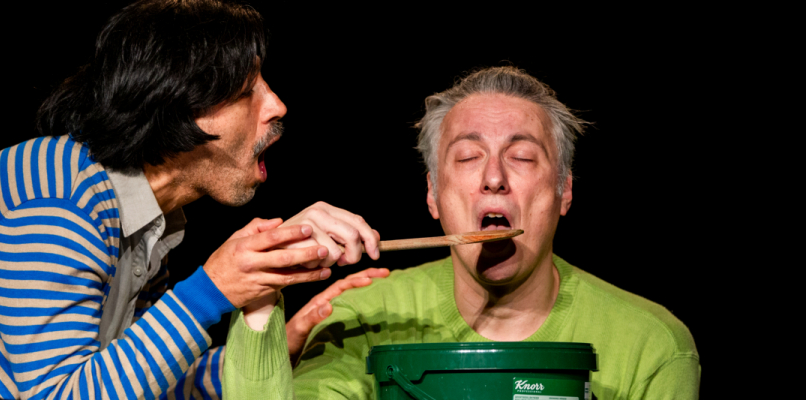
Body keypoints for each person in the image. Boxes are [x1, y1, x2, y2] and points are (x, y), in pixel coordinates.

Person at [0, 1, 384, 399]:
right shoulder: (53, 196)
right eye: (245, 92)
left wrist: (287, 336)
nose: (277, 105)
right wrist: (212, 288)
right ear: (176, 105)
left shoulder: (149, 221)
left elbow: (144, 383)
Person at [223, 66, 701, 400]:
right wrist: (261, 304)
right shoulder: (361, 321)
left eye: (523, 157)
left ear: (564, 192)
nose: (494, 177)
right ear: (432, 195)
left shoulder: (651, 345)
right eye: (469, 157)